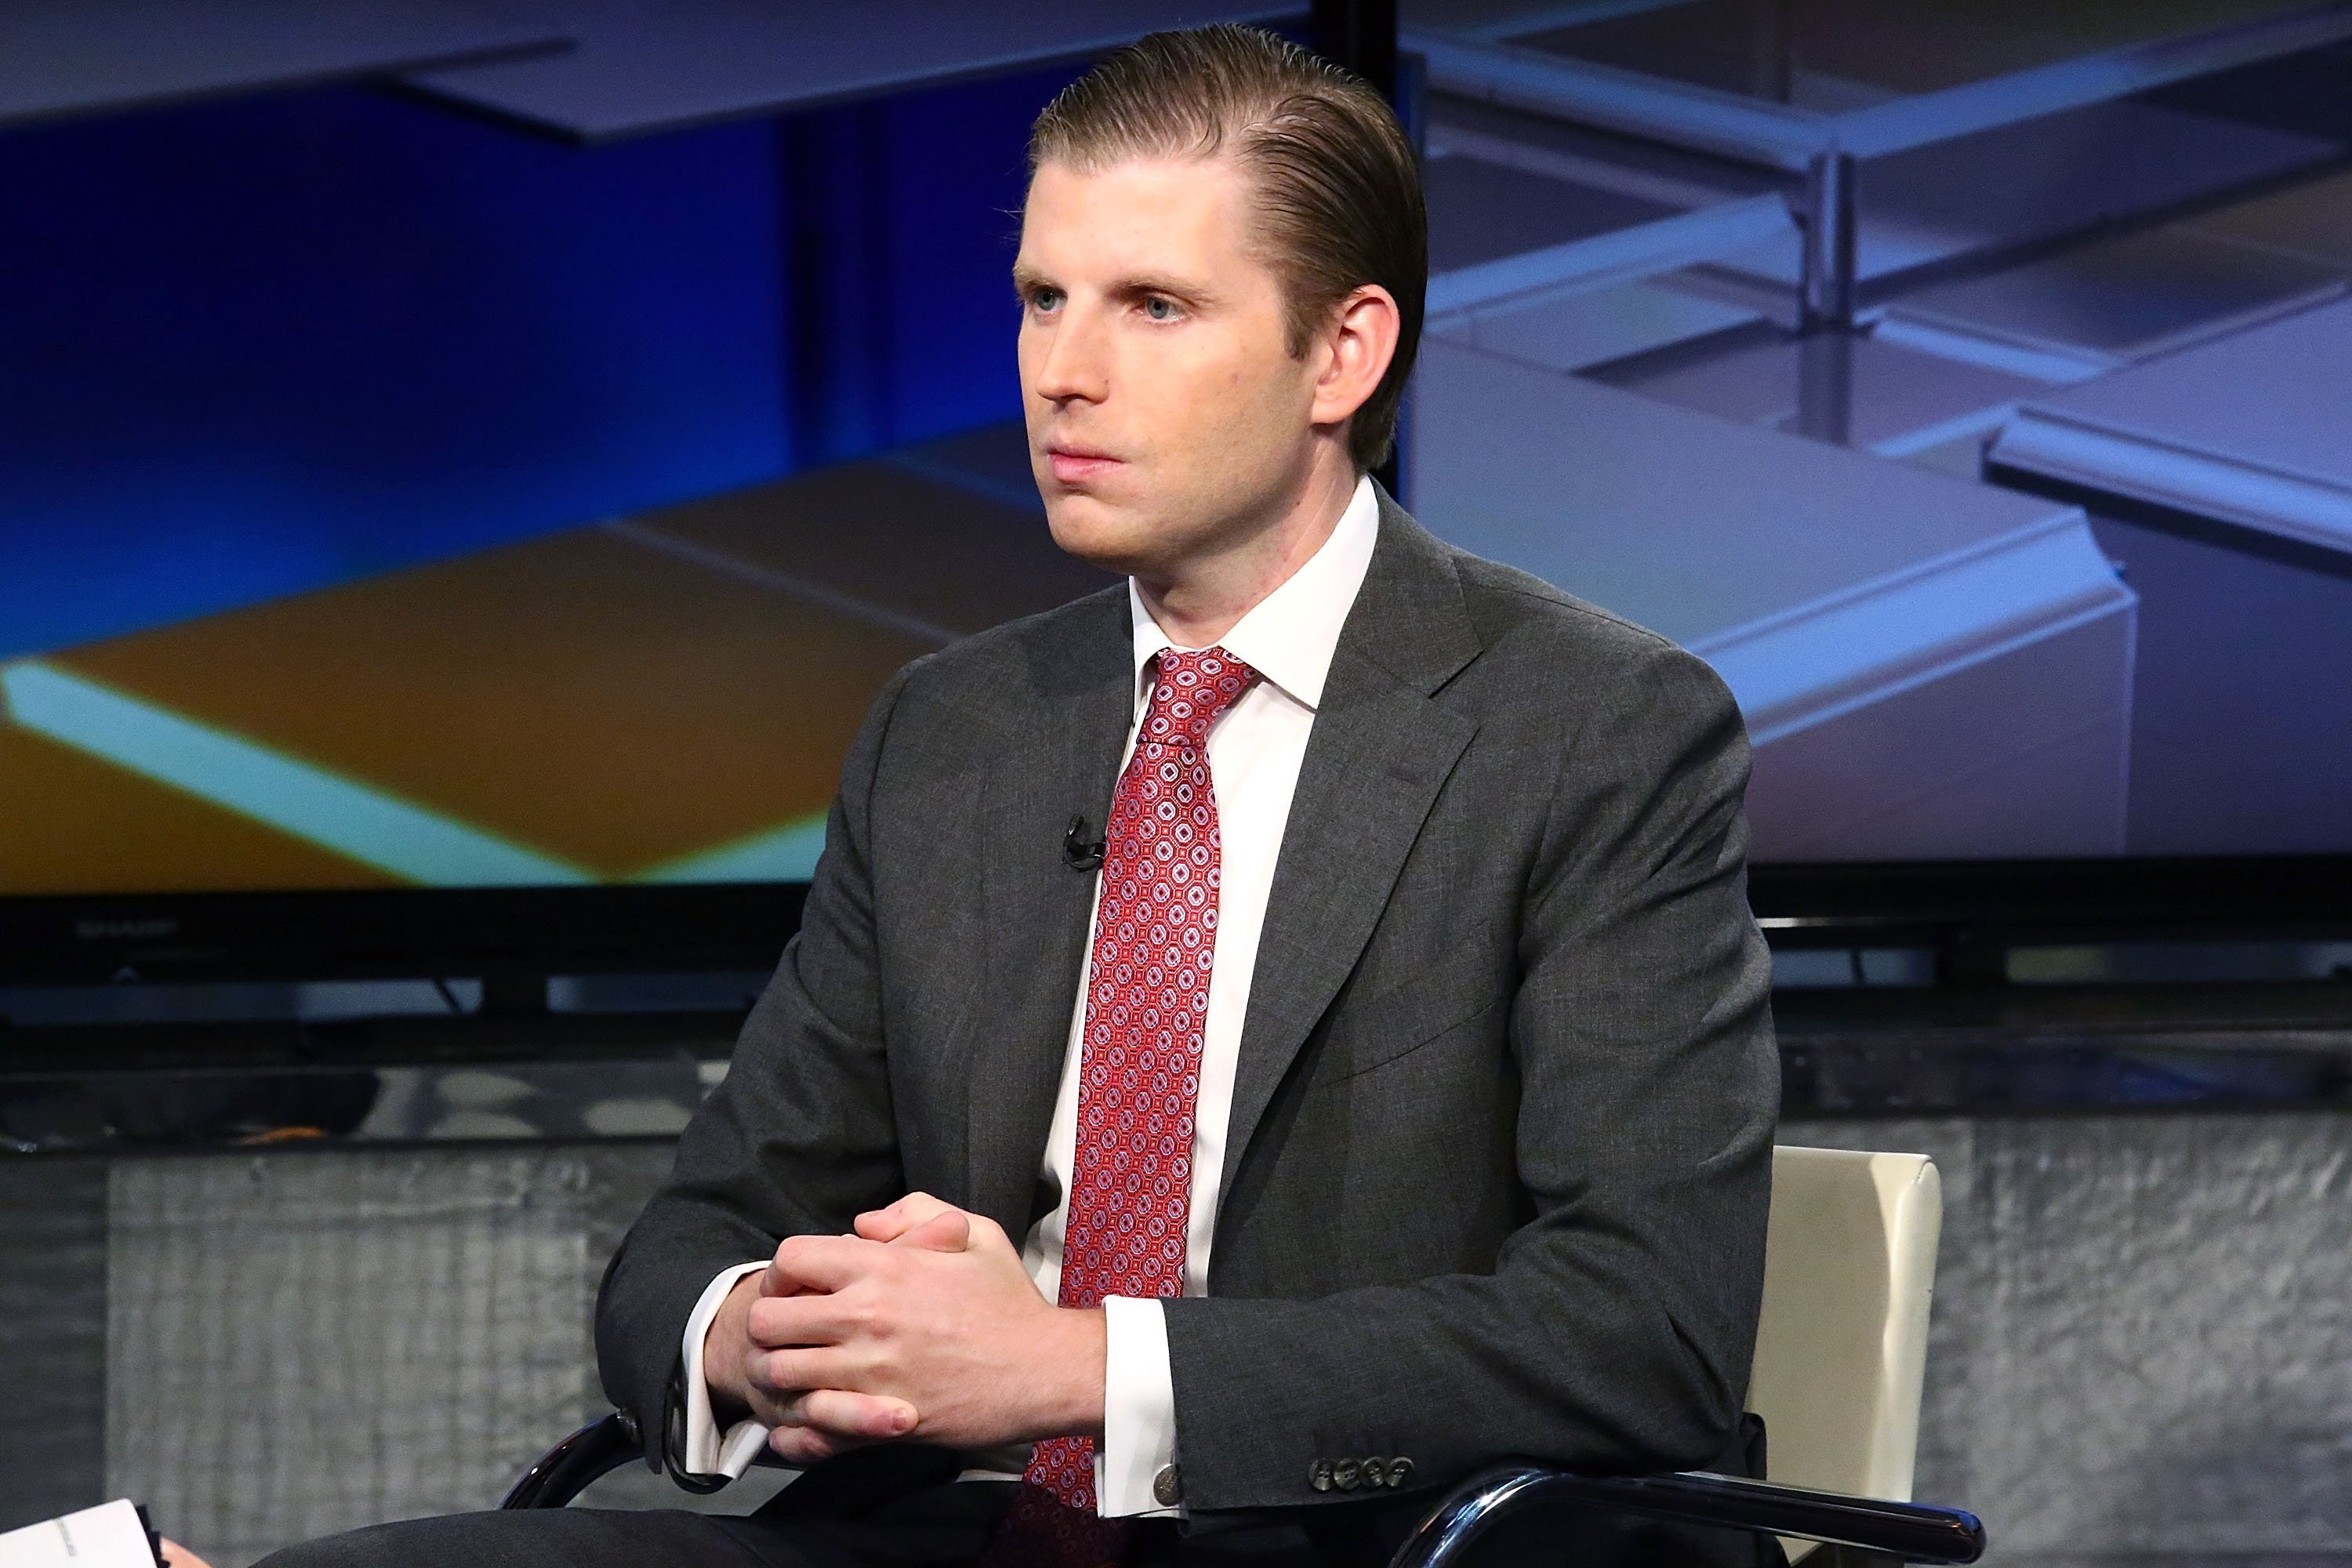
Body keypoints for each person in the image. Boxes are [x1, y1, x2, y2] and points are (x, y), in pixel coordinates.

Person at [262, 22, 1777, 1568]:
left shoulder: (1595, 728)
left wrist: (1075, 1365)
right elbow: (692, 1242)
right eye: (1043, 299)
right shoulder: (954, 732)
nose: (1065, 370)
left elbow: (1641, 1329)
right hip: (956, 1530)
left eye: (1155, 307)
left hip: (1357, 1538)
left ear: (1345, 351)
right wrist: (772, 1341)